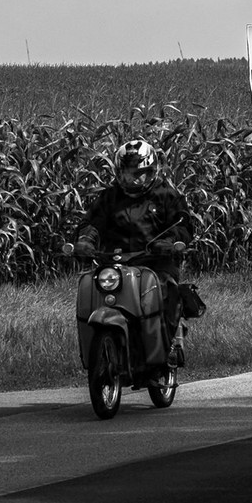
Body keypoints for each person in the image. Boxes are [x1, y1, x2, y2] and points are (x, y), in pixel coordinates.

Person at [72, 138, 196, 363]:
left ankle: (169, 346)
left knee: (166, 289)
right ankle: (100, 353)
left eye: (140, 173)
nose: (135, 179)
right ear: (119, 173)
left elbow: (183, 223)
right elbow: (92, 222)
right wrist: (85, 241)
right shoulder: (110, 197)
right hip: (115, 262)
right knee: (94, 288)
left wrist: (169, 241)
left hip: (156, 261)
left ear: (152, 171)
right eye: (128, 174)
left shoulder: (166, 194)